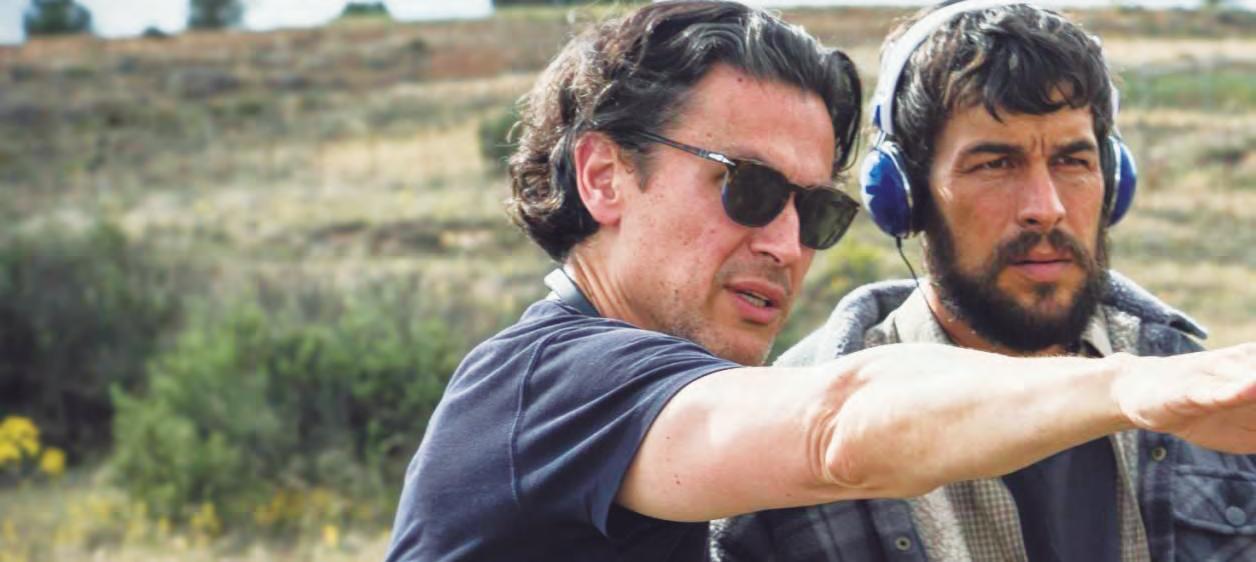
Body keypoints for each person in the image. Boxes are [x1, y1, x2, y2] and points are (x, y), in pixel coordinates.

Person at [384, 2, 1256, 561]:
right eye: (750, 189)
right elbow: (835, 427)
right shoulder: (549, 384)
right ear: (604, 177)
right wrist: (1139, 390)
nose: (786, 244)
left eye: (813, 210)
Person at [711, 2, 1256, 561]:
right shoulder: (791, 428)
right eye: (996, 164)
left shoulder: (1204, 400)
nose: (1045, 208)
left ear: (1114, 182)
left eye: (1072, 161)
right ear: (907, 195)